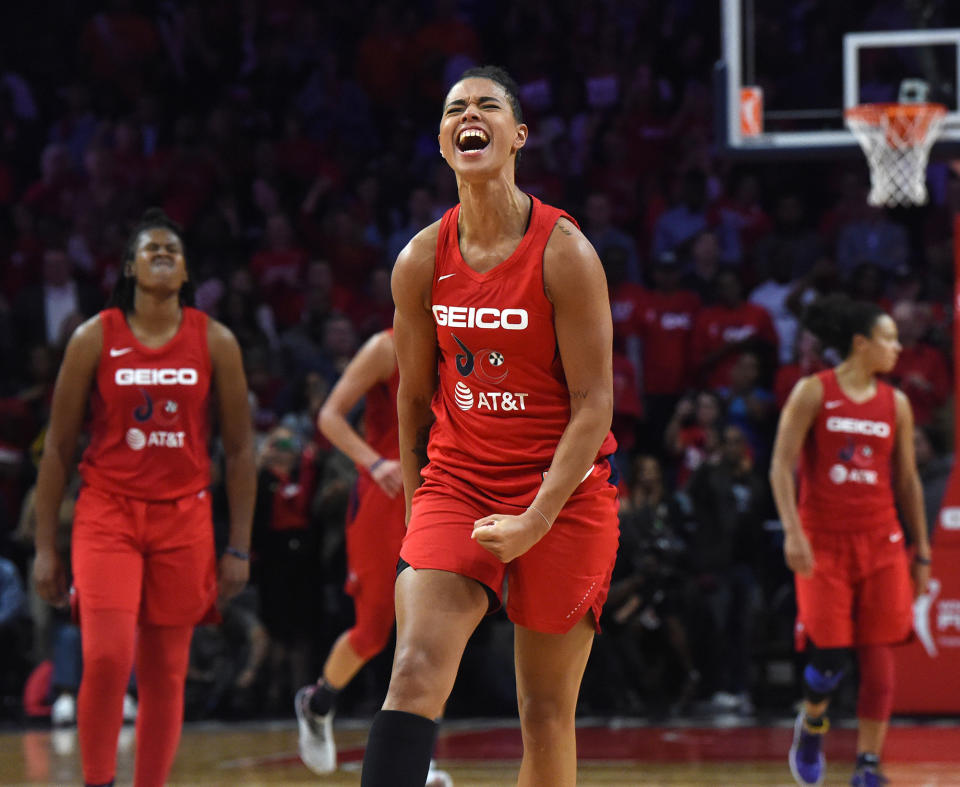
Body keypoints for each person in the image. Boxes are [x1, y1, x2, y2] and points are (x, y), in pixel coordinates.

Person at [359, 65, 619, 787]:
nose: (468, 116)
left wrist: (537, 516)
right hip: (457, 483)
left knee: (541, 712)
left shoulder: (565, 250)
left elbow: (595, 402)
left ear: (517, 136)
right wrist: (418, 516)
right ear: (444, 142)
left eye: (487, 106)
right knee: (412, 672)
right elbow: (413, 401)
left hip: (562, 494)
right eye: (454, 109)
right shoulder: (419, 259)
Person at [32, 208, 255, 787]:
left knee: (167, 673)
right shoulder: (93, 337)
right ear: (130, 267)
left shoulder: (216, 341)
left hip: (186, 518)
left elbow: (240, 451)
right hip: (107, 512)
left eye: (173, 250)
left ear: (185, 275)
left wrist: (238, 547)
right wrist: (44, 548)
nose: (162, 253)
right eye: (150, 248)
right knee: (106, 657)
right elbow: (56, 449)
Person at [769, 293, 931, 787]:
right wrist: (793, 532)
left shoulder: (896, 403)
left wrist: (921, 552)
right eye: (889, 338)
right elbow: (780, 465)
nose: (897, 348)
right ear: (861, 343)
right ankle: (812, 724)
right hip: (823, 543)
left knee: (880, 663)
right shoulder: (813, 392)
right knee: (829, 659)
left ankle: (867, 766)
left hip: (881, 542)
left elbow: (907, 481)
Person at [294, 328, 450, 786]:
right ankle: (318, 703)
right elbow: (330, 417)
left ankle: (422, 761)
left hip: (444, 493)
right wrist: (373, 461)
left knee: (436, 635)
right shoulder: (387, 345)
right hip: (385, 495)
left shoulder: (469, 335)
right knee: (373, 631)